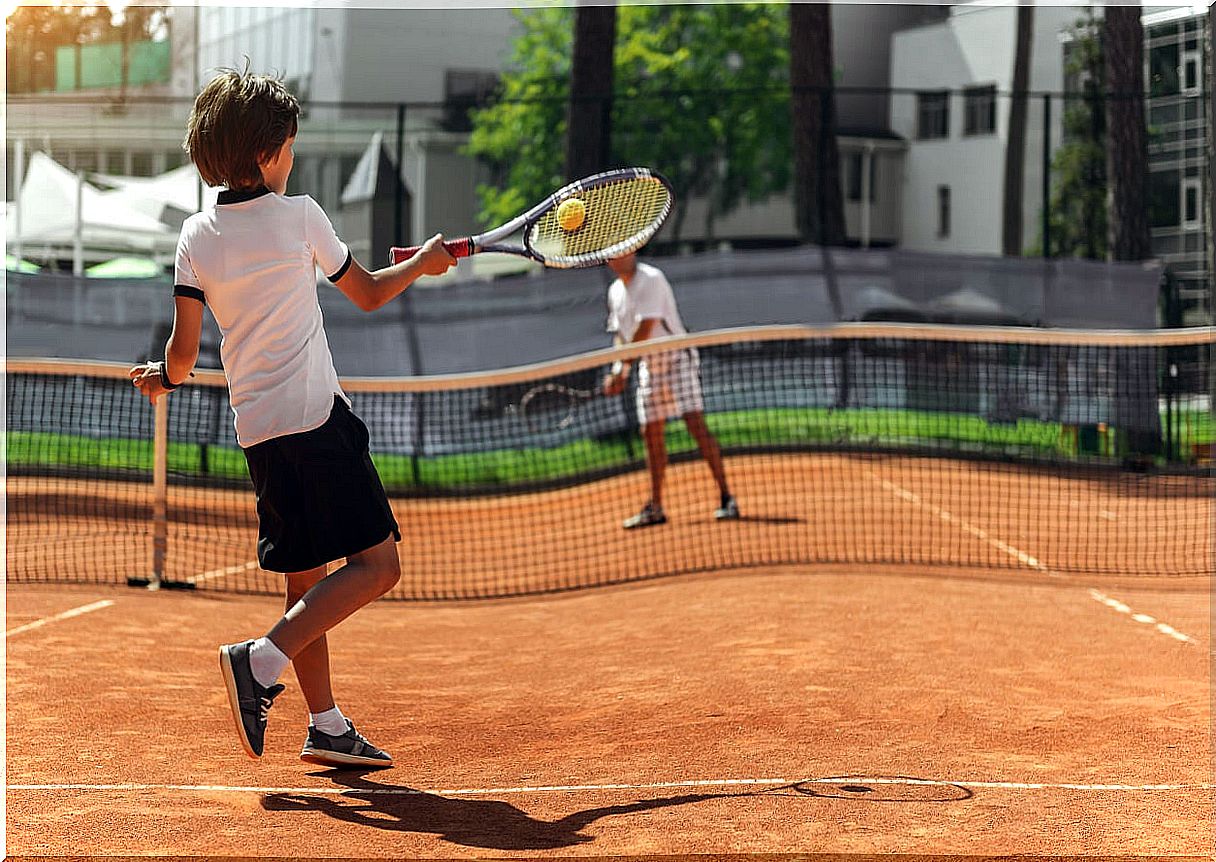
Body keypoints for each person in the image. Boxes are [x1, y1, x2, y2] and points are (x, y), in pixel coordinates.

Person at [129, 68, 456, 767]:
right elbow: (366, 293)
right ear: (264, 154)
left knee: (305, 578)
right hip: (317, 421)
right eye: (289, 144)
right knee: (379, 565)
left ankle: (327, 726)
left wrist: (164, 378)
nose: (294, 155)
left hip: (261, 436)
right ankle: (261, 661)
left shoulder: (195, 235)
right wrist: (423, 265)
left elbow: (184, 356)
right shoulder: (301, 213)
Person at [600, 251, 738, 529]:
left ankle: (727, 497)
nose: (618, 257)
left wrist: (624, 369)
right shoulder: (615, 291)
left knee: (695, 424)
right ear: (608, 260)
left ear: (632, 251)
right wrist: (618, 369)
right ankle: (655, 506)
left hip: (677, 360)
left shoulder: (651, 279)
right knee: (650, 432)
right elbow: (622, 335)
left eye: (623, 251)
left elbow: (645, 328)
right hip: (649, 366)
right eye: (612, 255)